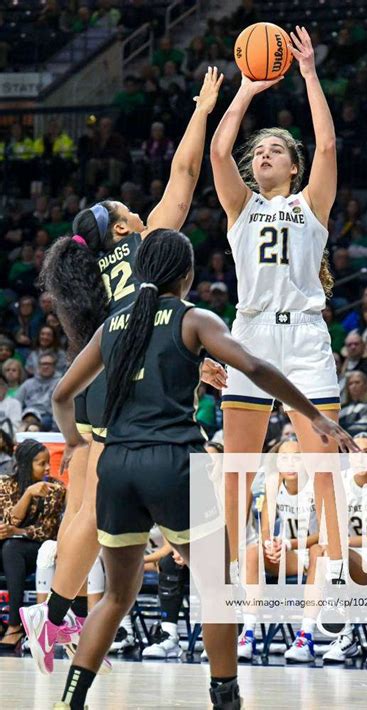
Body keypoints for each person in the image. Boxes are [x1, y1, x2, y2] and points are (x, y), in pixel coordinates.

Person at [46, 229, 355, 710]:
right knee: (218, 588)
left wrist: (72, 443)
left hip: (118, 468)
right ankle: (224, 696)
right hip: (173, 462)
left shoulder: (114, 325)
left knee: (115, 597)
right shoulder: (193, 319)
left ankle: (71, 698)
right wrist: (313, 414)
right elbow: (254, 366)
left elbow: (62, 396)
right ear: (186, 276)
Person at [20, 68, 229, 676]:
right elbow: (185, 174)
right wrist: (203, 108)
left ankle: (54, 612)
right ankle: (56, 612)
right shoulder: (148, 244)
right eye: (125, 209)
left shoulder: (95, 277)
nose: (137, 209)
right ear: (120, 227)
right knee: (95, 510)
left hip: (95, 378)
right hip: (124, 388)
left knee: (84, 509)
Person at [210, 26, 349, 585]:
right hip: (251, 338)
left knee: (323, 469)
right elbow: (220, 150)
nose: (263, 154)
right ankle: (224, 586)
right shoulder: (239, 207)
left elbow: (330, 146)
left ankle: (337, 581)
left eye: (275, 151)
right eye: (259, 151)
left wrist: (310, 74)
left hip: (306, 340)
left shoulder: (312, 204)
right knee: (238, 474)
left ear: (293, 166)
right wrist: (246, 88)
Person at [285, 433, 367, 665]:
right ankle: (314, 636)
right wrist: (336, 545)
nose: (360, 458)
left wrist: (342, 543)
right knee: (321, 555)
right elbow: (328, 533)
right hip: (358, 559)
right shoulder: (340, 481)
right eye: (355, 452)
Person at [239, 437, 320, 661]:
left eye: (296, 458)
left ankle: (305, 636)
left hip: (315, 551)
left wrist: (288, 544)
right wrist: (270, 544)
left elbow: (327, 532)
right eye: (284, 458)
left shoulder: (316, 484)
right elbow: (265, 526)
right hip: (288, 554)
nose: (290, 463)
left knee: (318, 554)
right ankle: (247, 634)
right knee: (254, 551)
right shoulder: (272, 482)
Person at [0, 440, 65, 650]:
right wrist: (28, 493)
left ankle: (14, 625)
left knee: (12, 548)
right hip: (6, 550)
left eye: (48, 462)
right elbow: (9, 521)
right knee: (8, 547)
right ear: (26, 464)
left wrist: (17, 532)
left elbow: (46, 531)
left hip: (36, 551)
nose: (47, 468)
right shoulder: (4, 485)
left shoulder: (55, 489)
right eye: (41, 463)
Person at [15, 352, 61, 431]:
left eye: (49, 364)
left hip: (49, 417)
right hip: (28, 414)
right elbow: (16, 403)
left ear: (54, 366)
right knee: (28, 417)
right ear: (38, 366)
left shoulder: (60, 383)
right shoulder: (28, 383)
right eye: (43, 364)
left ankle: (27, 430)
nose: (46, 366)